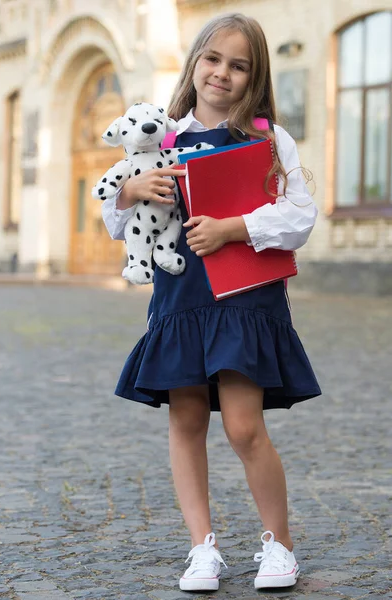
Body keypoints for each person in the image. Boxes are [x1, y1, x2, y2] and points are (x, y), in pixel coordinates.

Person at [101, 12, 321, 593]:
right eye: (213, 59)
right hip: (181, 302)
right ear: (195, 62)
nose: (223, 73)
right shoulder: (159, 137)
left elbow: (300, 217)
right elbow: (115, 219)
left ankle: (280, 546)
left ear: (255, 78)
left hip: (244, 300)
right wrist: (130, 190)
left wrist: (232, 228)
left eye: (239, 65)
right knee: (187, 419)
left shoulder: (268, 140)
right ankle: (202, 549)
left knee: (245, 427)